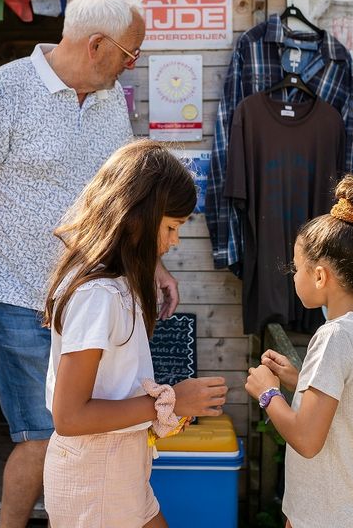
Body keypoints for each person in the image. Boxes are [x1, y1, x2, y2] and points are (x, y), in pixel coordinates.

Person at [0, 0, 181, 527]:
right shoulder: (0, 92)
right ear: (97, 44)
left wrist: (155, 261)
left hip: (92, 302)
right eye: (128, 53)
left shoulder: (107, 102)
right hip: (21, 298)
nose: (130, 65)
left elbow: (125, 198)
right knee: (42, 436)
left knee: (89, 434)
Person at [42, 140, 228, 527]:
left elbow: (113, 389)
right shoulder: (98, 295)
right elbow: (69, 416)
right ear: (138, 217)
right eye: (172, 227)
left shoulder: (120, 285)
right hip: (96, 481)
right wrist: (171, 403)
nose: (175, 240)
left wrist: (166, 410)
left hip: (121, 472)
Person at [245, 175, 353, 528]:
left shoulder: (334, 337)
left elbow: (308, 441)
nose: (293, 276)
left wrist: (268, 394)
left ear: (321, 277)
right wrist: (301, 381)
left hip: (331, 515)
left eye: (297, 268)